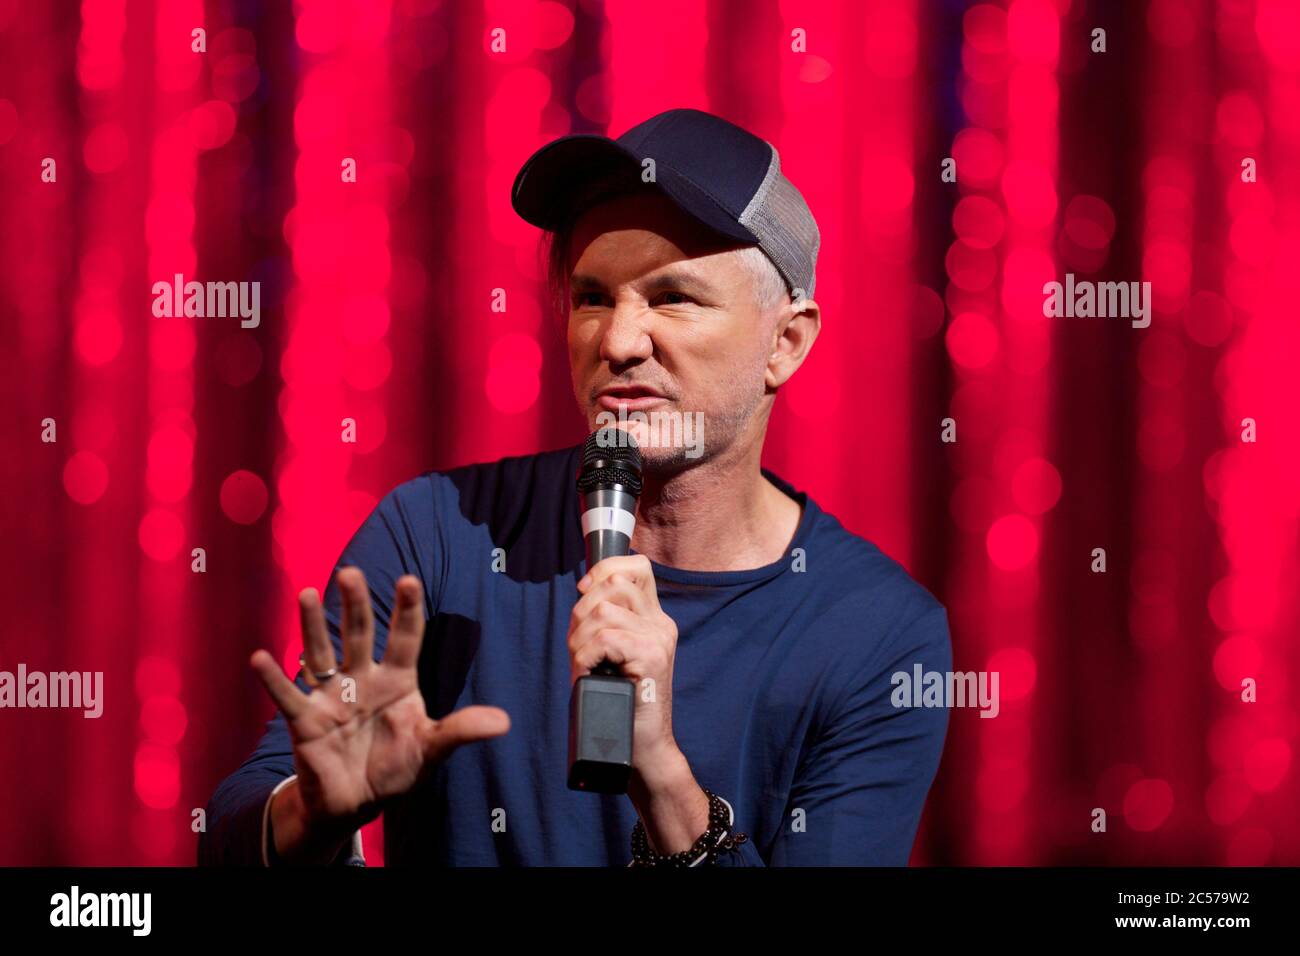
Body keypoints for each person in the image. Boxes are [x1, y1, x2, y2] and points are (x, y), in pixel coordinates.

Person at [198, 107, 951, 867]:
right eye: (593, 297)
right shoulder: (437, 536)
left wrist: (658, 770)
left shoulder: (879, 632)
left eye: (672, 298)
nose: (618, 343)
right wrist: (311, 814)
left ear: (784, 343)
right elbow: (234, 835)